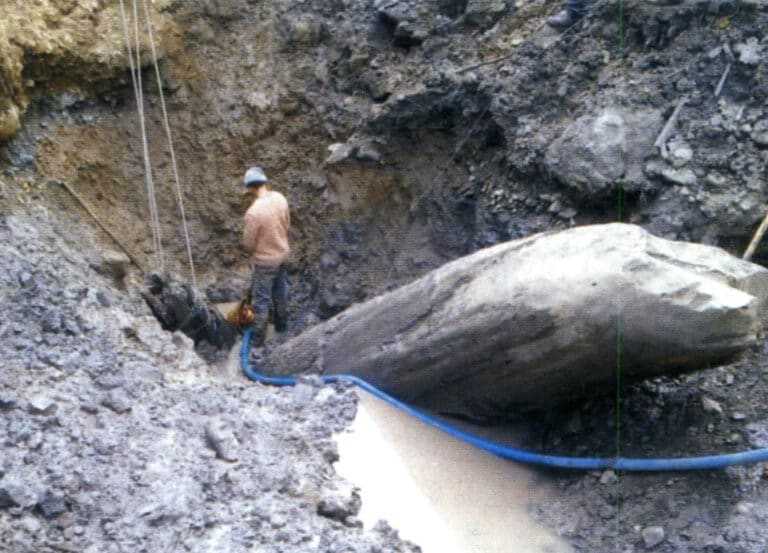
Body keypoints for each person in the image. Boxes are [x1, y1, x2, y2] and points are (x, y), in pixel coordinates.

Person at [242, 166, 290, 344]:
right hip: (282, 255)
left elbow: (248, 244)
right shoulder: (280, 198)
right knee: (281, 293)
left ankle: (258, 340)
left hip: (265, 262)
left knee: (261, 301)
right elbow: (287, 224)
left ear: (250, 187)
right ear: (264, 182)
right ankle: (282, 328)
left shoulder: (253, 213)